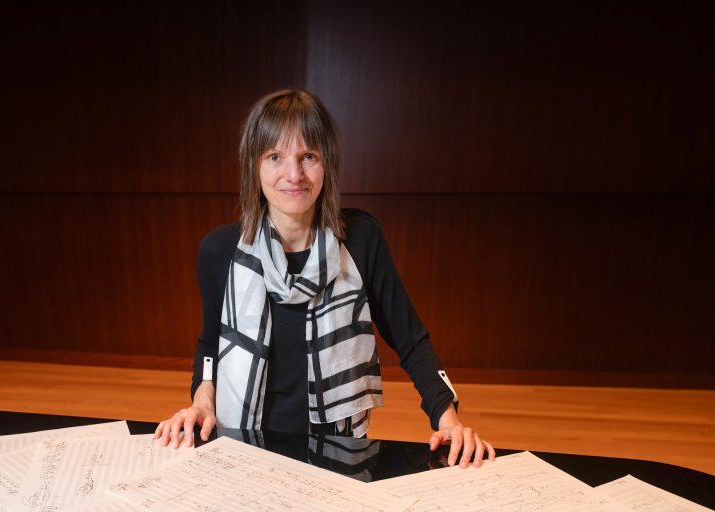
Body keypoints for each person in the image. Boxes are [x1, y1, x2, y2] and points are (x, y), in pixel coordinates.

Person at [154, 89, 492, 467]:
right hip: (242, 448)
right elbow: (210, 348)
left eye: (308, 156)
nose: (294, 174)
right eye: (275, 157)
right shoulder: (220, 251)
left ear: (327, 162)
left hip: (337, 453)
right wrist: (201, 404)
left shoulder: (361, 238)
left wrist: (450, 421)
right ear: (254, 166)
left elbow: (410, 339)